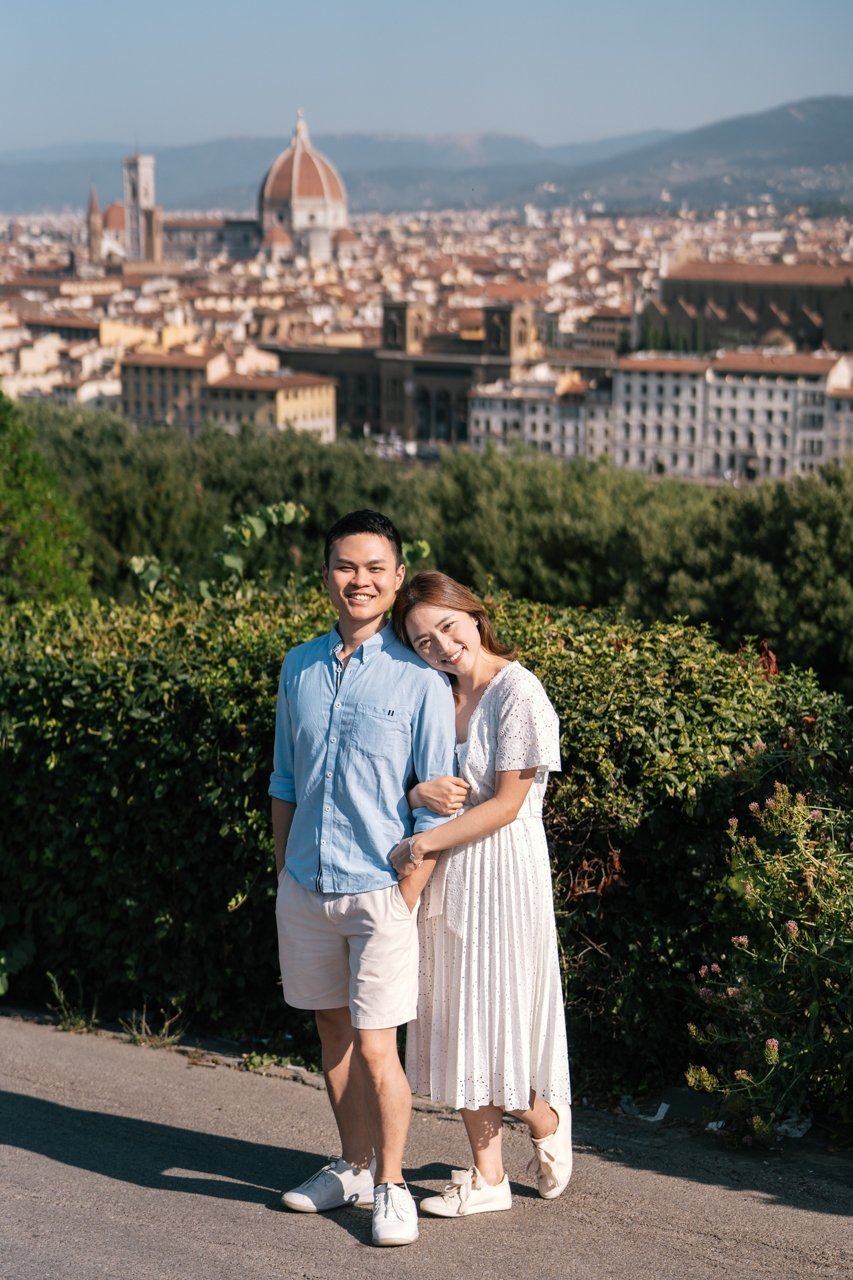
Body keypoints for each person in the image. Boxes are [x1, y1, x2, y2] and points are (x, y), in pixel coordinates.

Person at [270, 512, 456, 1247]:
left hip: (379, 891)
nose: (360, 580)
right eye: (346, 567)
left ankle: (391, 1183)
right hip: (306, 885)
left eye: (375, 568)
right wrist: (285, 869)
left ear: (398, 577)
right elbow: (285, 776)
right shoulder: (299, 665)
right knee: (331, 1031)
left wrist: (404, 892)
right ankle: (350, 1165)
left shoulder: (422, 680)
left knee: (379, 1046)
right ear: (326, 576)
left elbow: (439, 799)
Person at [389, 571, 572, 1218]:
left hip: (502, 872)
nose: (439, 645)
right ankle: (488, 1175)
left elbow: (507, 805)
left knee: (498, 1022)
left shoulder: (517, 691)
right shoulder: (435, 695)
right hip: (449, 875)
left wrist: (420, 846)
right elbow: (413, 784)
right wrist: (415, 803)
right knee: (456, 1018)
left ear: (472, 614)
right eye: (421, 639)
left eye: (446, 625)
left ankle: (543, 1118)